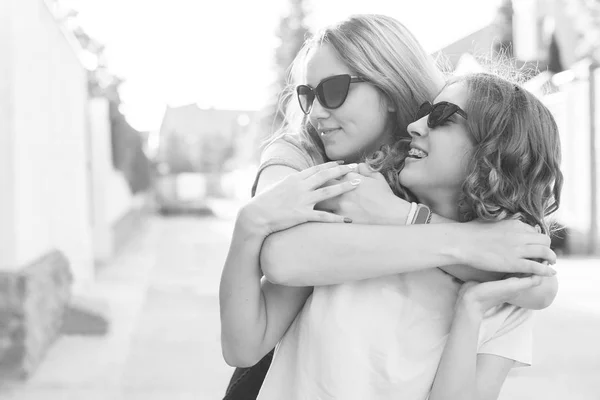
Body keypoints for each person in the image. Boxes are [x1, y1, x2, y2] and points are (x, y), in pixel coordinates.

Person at [220, 14, 558, 400]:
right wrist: (461, 242)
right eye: (308, 96)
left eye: (332, 90)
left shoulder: (396, 194)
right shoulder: (323, 169)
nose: (313, 113)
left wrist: (407, 218)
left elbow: (537, 282)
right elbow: (283, 260)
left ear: (389, 83)